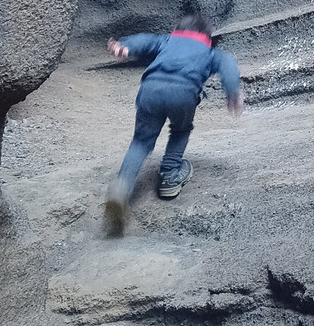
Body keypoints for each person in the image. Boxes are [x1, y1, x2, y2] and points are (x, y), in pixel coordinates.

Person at [104, 13, 243, 231]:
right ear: (207, 36)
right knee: (180, 130)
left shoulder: (166, 41)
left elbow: (145, 39)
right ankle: (170, 176)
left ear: (177, 31)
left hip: (150, 88)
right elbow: (227, 64)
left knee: (141, 141)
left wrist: (124, 46)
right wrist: (233, 91)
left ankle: (122, 186)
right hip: (183, 93)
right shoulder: (210, 51)